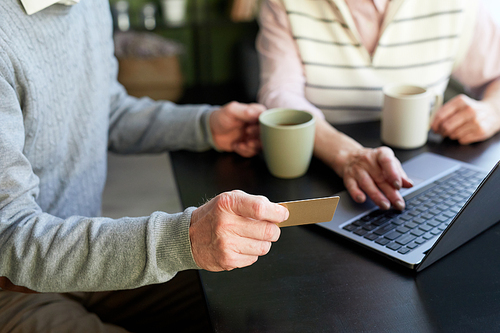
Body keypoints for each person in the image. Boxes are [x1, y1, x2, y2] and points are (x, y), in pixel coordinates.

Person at [0, 0, 289, 332]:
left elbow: (106, 110)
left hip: (86, 257)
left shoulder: (87, 5)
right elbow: (9, 235)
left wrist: (203, 125)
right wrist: (184, 239)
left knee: (257, 304)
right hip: (12, 287)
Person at [257, 0, 500, 211]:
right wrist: (347, 154)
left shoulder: (460, 5)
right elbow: (279, 93)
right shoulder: (285, 4)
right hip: (322, 173)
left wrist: (492, 109)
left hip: (429, 178)